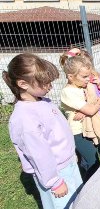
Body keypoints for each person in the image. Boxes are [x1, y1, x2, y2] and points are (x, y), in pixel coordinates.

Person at [4, 53, 83, 209]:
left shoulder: (42, 102)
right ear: (23, 84)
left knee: (78, 201)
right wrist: (54, 182)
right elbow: (38, 154)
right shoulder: (25, 118)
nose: (50, 86)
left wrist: (70, 156)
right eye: (45, 83)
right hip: (55, 173)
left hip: (66, 165)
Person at [60, 52, 100, 181]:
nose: (88, 79)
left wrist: (87, 109)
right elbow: (92, 108)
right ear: (71, 77)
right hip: (79, 132)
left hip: (88, 129)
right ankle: (89, 189)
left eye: (88, 76)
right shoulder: (68, 92)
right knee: (93, 162)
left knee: (85, 161)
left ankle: (83, 183)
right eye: (84, 77)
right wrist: (96, 104)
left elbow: (92, 105)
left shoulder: (83, 86)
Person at [66, 48, 100, 158]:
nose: (87, 78)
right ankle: (91, 146)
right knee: (91, 128)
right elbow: (78, 100)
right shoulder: (74, 84)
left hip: (98, 108)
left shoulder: (94, 75)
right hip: (88, 108)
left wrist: (99, 85)